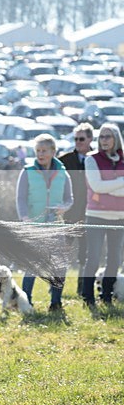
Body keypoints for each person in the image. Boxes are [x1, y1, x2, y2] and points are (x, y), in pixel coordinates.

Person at [16, 133, 73, 312]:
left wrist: (64, 207)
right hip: (34, 226)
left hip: (56, 226)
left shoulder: (63, 172)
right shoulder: (27, 171)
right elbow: (20, 199)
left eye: (44, 151)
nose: (40, 154)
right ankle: (26, 303)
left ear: (53, 151)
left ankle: (56, 302)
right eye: (38, 151)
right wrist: (25, 218)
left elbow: (69, 198)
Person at [80, 123, 124, 308]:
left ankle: (107, 293)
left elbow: (104, 187)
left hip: (119, 216)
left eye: (108, 136)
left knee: (114, 258)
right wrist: (121, 182)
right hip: (96, 215)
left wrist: (110, 188)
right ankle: (87, 296)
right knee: (94, 257)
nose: (104, 140)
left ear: (116, 138)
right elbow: (97, 186)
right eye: (102, 137)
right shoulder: (92, 160)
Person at [58, 123, 93, 294]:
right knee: (62, 254)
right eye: (76, 139)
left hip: (90, 214)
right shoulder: (65, 160)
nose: (78, 142)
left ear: (90, 139)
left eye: (81, 139)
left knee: (86, 256)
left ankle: (83, 289)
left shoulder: (97, 159)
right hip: (69, 215)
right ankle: (55, 290)